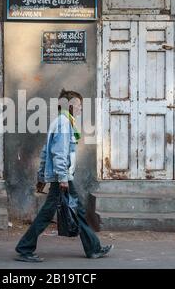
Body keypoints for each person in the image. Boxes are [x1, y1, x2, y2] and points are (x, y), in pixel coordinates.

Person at [15, 89, 114, 262]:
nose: (80, 109)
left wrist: (41, 177)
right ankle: (25, 248)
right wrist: (61, 178)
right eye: (78, 105)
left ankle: (93, 248)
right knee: (49, 213)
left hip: (60, 176)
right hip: (62, 177)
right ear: (68, 106)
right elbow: (58, 153)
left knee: (78, 211)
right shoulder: (63, 124)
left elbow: (46, 152)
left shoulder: (61, 122)